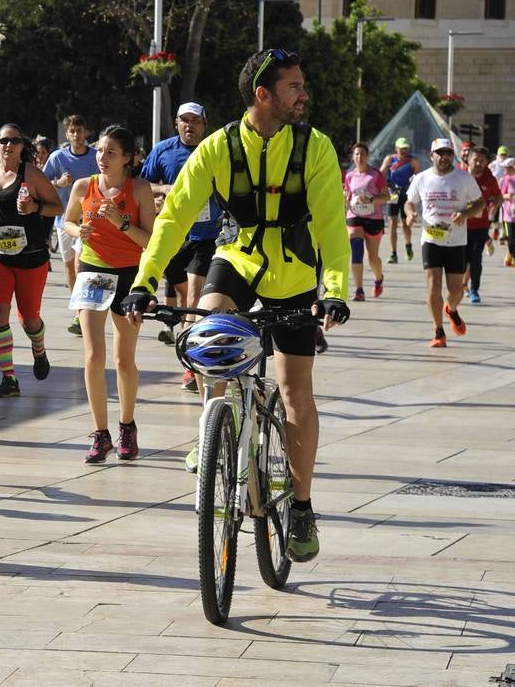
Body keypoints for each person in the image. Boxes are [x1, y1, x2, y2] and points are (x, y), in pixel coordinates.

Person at [122, 49, 352, 565]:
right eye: (295, 86)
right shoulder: (218, 147)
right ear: (262, 95)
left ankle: (302, 505)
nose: (304, 95)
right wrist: (145, 281)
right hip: (239, 259)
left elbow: (333, 226)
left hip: (294, 271)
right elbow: (174, 217)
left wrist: (333, 289)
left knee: (296, 392)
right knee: (207, 328)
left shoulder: (313, 146)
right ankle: (214, 426)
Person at [62, 125, 156, 463]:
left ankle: (126, 426)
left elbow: (151, 242)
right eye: (100, 150)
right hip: (92, 272)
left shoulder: (140, 189)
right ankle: (100, 434)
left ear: (127, 158)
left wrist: (122, 223)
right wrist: (79, 230)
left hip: (129, 275)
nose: (102, 157)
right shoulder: (82, 186)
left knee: (123, 359)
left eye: (111, 152)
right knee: (92, 356)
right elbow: (67, 222)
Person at [139, 103, 223, 388]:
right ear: (176, 124)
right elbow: (141, 185)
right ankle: (190, 349)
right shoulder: (162, 150)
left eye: (195, 121)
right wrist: (162, 190)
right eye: (184, 121)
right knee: (183, 297)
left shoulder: (215, 149)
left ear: (204, 123)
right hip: (175, 236)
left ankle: (190, 364)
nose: (190, 126)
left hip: (205, 236)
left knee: (194, 299)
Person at [0, 124, 61, 398]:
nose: (8, 145)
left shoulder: (32, 174)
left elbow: (57, 206)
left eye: (14, 140)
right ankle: (8, 378)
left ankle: (39, 349)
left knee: (29, 319)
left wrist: (35, 207)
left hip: (30, 258)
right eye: (3, 140)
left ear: (22, 145)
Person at [405, 139, 483, 347]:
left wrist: (465, 213)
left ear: (453, 156)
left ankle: (450, 309)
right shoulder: (421, 179)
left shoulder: (464, 178)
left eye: (448, 153)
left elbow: (480, 203)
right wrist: (410, 213)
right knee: (433, 286)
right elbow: (409, 202)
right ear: (432, 156)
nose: (444, 156)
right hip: (431, 239)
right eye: (439, 153)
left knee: (456, 290)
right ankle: (439, 332)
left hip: (456, 241)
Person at [43, 114, 101, 335]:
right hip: (64, 219)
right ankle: (78, 305)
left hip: (90, 221)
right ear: (67, 134)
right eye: (72, 131)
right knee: (69, 266)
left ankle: (81, 313)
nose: (76, 135)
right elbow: (40, 183)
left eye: (80, 131)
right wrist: (58, 182)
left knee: (80, 265)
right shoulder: (57, 157)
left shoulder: (96, 156)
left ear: (86, 132)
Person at [343, 141, 390, 301]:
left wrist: (370, 199)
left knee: (372, 258)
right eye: (356, 154)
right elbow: (348, 194)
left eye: (362, 154)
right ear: (352, 157)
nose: (359, 157)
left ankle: (379, 279)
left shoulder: (376, 175)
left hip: (373, 219)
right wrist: (346, 197)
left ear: (367, 156)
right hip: (354, 216)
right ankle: (359, 290)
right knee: (356, 251)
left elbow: (386, 197)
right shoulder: (349, 176)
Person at [461, 147, 502, 303]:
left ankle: (474, 290)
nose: (478, 163)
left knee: (476, 259)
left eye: (482, 160)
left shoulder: (489, 178)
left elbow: (499, 197)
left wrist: (494, 204)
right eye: (475, 159)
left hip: (480, 226)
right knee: (461, 261)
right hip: (460, 225)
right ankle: (459, 286)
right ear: (468, 160)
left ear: (486, 162)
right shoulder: (459, 175)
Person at [381, 137, 420, 263]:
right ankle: (393, 253)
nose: (403, 151)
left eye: (405, 148)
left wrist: (412, 182)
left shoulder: (413, 161)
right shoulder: (390, 159)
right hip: (393, 194)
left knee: (405, 223)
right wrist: (384, 183)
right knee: (392, 223)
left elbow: (419, 177)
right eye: (401, 148)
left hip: (406, 194)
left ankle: (408, 246)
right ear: (396, 148)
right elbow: (380, 174)